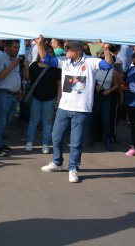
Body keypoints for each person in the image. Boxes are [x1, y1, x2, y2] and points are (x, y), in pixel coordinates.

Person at [37, 37, 113, 183]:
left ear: (78, 49)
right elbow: (46, 59)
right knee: (56, 136)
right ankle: (57, 162)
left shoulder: (90, 61)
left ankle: (73, 168)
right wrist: (40, 44)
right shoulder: (64, 61)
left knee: (76, 141)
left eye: (68, 48)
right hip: (64, 107)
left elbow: (108, 65)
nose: (65, 51)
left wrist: (106, 49)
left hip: (81, 109)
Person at [25, 42, 61, 154]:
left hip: (50, 98)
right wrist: (26, 67)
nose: (48, 54)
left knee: (47, 122)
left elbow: (59, 84)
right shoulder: (33, 65)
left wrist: (59, 98)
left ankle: (45, 144)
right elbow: (27, 78)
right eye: (46, 52)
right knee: (33, 121)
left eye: (50, 52)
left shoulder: (56, 67)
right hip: (36, 97)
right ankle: (29, 142)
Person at [0, 40, 23, 157]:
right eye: (15, 47)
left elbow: (16, 75)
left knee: (7, 120)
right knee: (1, 121)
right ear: (7, 47)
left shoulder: (16, 58)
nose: (17, 49)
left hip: (13, 94)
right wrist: (13, 65)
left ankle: (0, 142)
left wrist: (19, 91)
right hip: (3, 94)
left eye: (18, 47)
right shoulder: (0, 56)